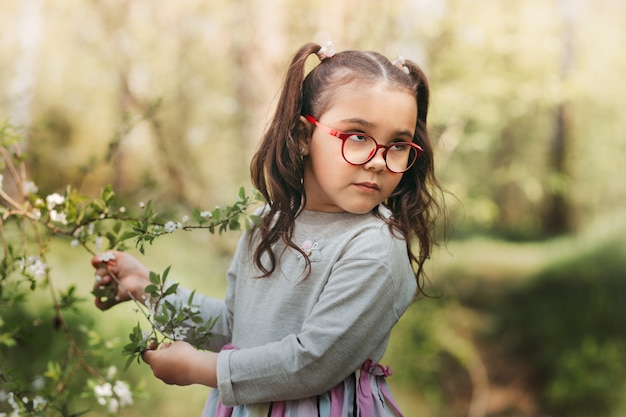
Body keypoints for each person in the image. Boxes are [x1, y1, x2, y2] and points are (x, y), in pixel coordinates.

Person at [91, 41, 444, 416]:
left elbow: (314, 363)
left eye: (398, 144)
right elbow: (234, 326)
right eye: (357, 136)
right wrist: (147, 290)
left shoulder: (374, 247)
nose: (377, 161)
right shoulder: (269, 224)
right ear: (303, 136)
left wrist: (199, 368)